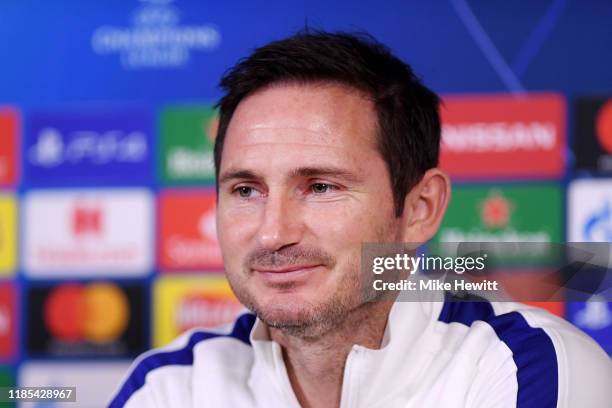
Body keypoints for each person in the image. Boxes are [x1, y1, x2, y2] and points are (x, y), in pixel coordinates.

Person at [109, 31, 612, 407]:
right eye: (246, 189)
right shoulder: (170, 386)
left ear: (420, 209)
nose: (272, 232)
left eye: (321, 187)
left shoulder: (527, 368)